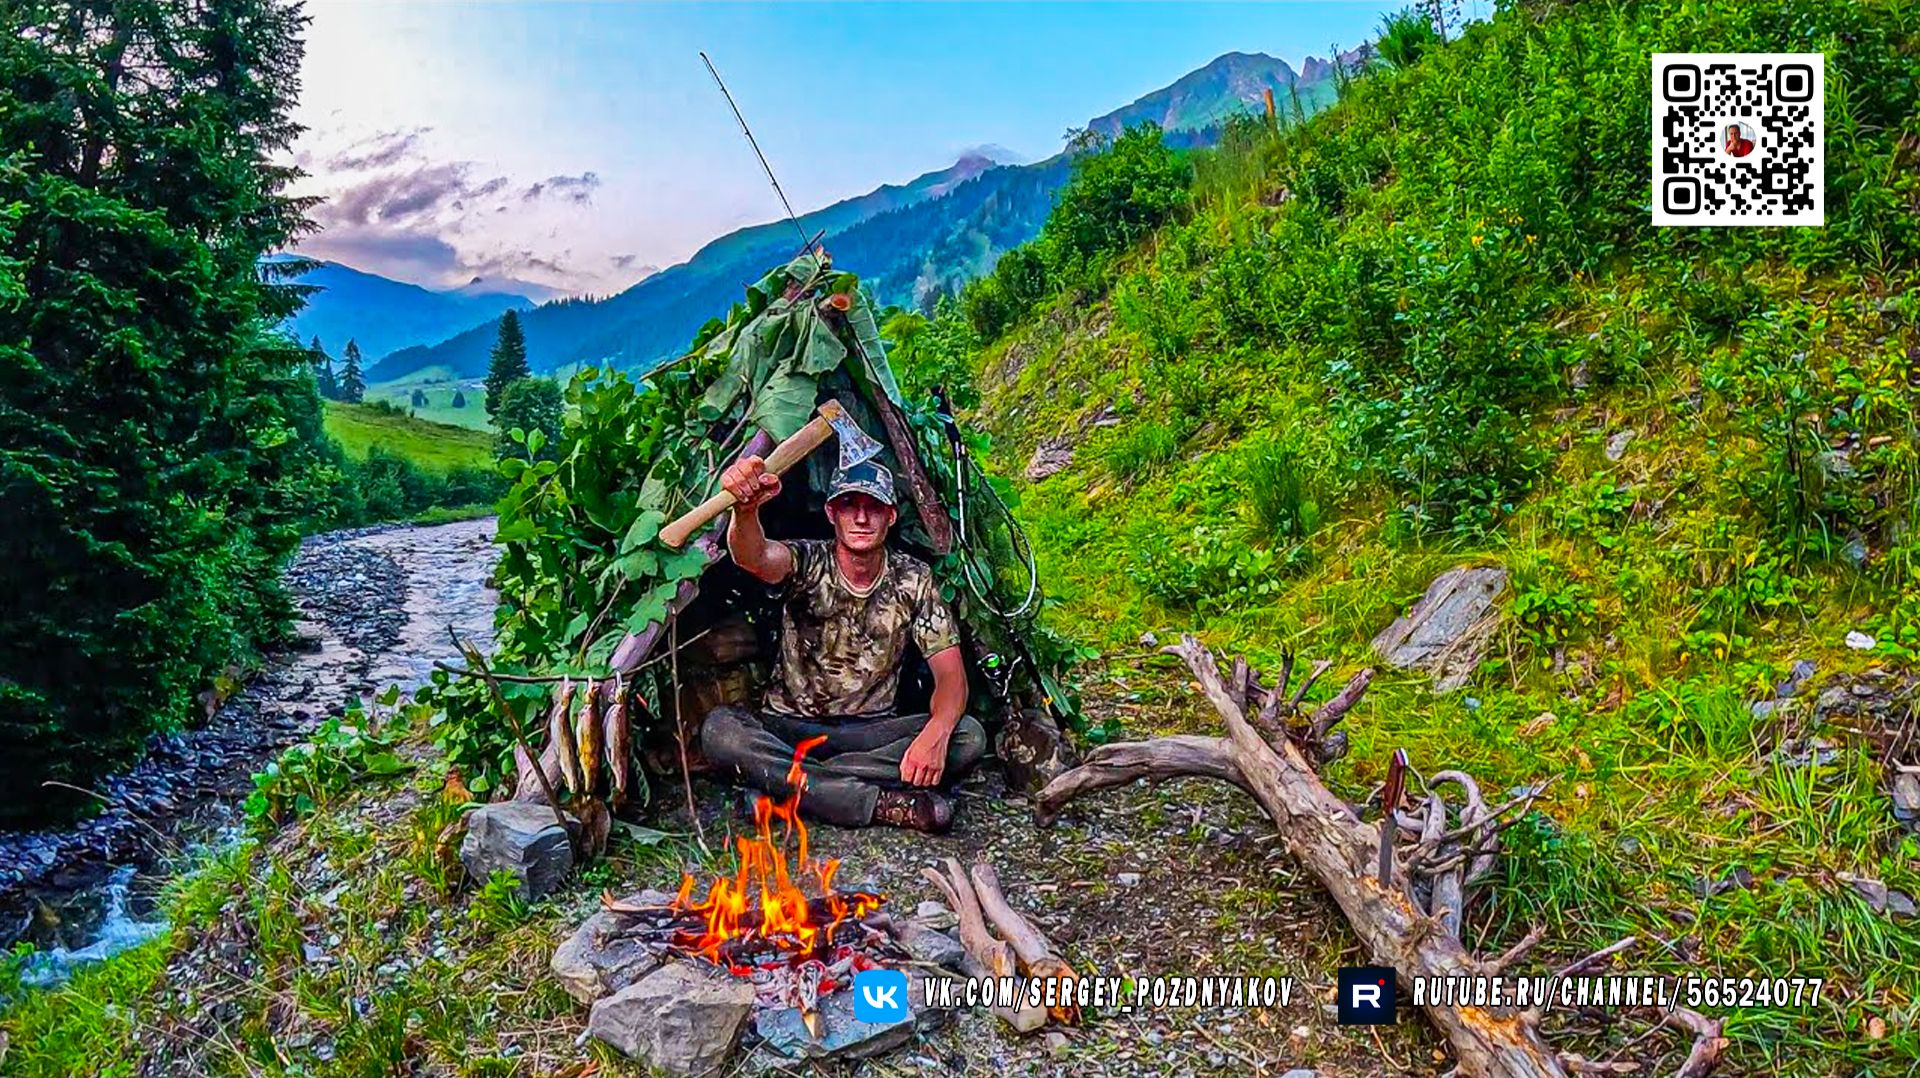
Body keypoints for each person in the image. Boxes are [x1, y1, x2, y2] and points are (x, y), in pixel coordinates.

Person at [698, 452, 984, 832]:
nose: (862, 518)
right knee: (720, 730)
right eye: (850, 506)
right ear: (832, 513)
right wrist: (746, 512)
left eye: (874, 507)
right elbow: (755, 557)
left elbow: (950, 677)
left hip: (870, 733)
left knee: (967, 736)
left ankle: (788, 789)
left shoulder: (913, 580)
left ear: (891, 516)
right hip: (789, 726)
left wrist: (936, 732)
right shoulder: (808, 560)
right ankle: (869, 801)